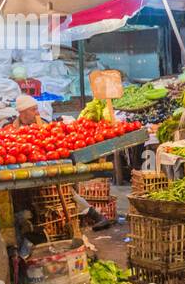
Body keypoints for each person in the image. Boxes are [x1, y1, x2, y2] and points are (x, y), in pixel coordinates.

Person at [13, 95, 114, 231]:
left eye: (36, 108)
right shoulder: (11, 127)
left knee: (65, 189)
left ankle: (96, 216)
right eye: (33, 109)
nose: (37, 112)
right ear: (22, 112)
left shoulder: (43, 123)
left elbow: (52, 144)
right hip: (24, 170)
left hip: (48, 166)